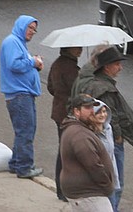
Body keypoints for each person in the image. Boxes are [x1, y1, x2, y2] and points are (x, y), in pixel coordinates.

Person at [74, 46, 133, 212]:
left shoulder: (94, 83)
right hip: (109, 142)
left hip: (98, 141)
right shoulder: (104, 89)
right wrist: (118, 137)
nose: (120, 68)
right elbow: (110, 119)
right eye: (117, 64)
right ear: (106, 67)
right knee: (114, 183)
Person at [0, 15, 44, 179]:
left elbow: (22, 65)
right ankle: (25, 167)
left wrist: (35, 65)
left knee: (24, 130)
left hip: (23, 94)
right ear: (21, 26)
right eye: (30, 28)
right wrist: (33, 62)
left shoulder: (19, 44)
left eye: (34, 29)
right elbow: (14, 64)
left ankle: (16, 163)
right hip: (19, 95)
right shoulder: (12, 42)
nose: (32, 32)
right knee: (25, 131)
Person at [59, 94, 116, 212]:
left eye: (92, 107)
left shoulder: (78, 129)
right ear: (76, 111)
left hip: (84, 192)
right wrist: (108, 186)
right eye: (87, 108)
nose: (92, 111)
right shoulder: (80, 135)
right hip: (88, 194)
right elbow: (93, 166)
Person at [49, 47, 83, 201]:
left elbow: (50, 86)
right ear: (69, 49)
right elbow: (77, 90)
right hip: (66, 114)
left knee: (63, 150)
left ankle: (61, 188)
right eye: (77, 48)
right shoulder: (70, 68)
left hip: (58, 112)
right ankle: (63, 189)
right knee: (66, 153)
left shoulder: (57, 63)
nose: (80, 50)